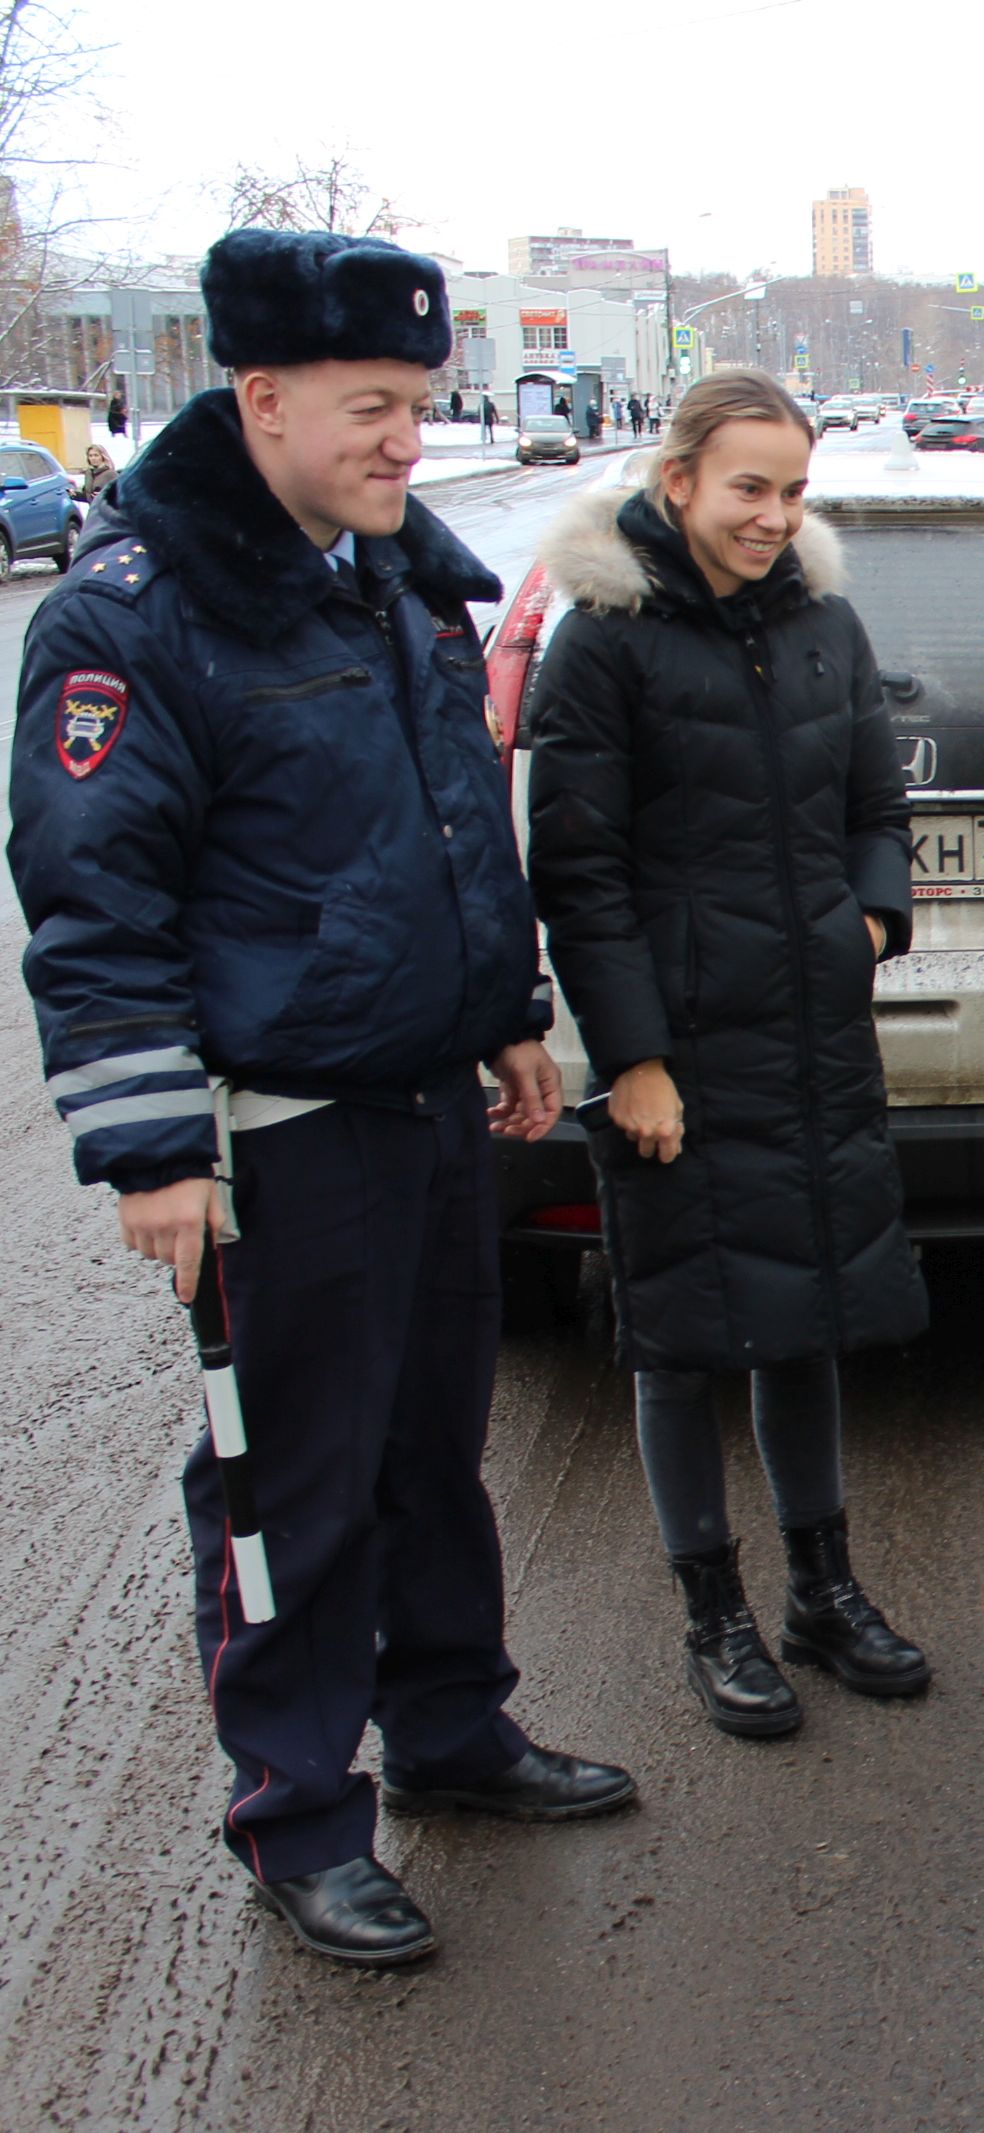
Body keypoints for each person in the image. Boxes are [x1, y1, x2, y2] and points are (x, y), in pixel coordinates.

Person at [6, 229, 633, 1970]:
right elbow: (96, 895)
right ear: (259, 397)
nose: (405, 443)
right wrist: (147, 1147)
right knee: (293, 1480)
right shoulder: (133, 621)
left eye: (418, 407)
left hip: (427, 1104)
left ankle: (451, 1729)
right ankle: (298, 1810)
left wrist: (507, 1009)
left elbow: (448, 825)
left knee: (435, 1447)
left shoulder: (395, 584)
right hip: (277, 1134)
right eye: (372, 408)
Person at [524, 368, 929, 1738]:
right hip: (681, 1047)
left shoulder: (823, 625)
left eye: (793, 490)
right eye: (748, 486)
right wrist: (632, 1058)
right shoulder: (605, 640)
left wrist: (870, 918)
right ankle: (717, 1613)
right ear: (679, 480)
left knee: (805, 1307)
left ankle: (824, 1589)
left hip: (810, 1029)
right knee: (685, 1332)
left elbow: (878, 796)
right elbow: (578, 874)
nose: (772, 515)